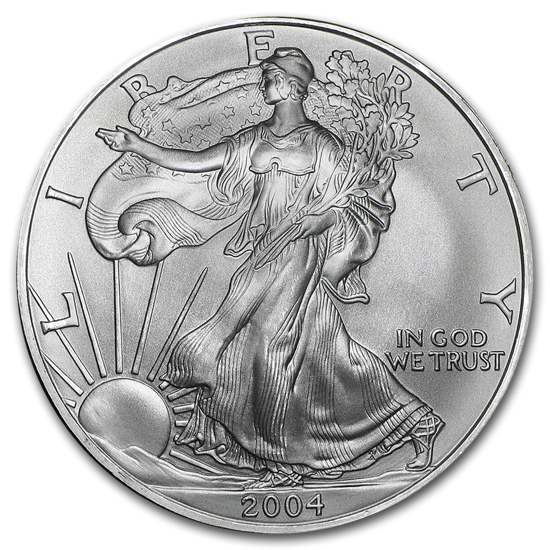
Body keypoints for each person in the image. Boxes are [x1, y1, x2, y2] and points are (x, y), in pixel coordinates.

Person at [97, 48, 443, 488]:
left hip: (300, 252)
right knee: (323, 356)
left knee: (268, 348)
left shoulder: (321, 144)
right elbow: (197, 160)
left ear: (290, 86)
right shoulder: (253, 138)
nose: (262, 84)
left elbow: (344, 203)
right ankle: (414, 422)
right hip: (264, 252)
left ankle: (284, 463)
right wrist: (137, 145)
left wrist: (320, 219)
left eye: (268, 77)